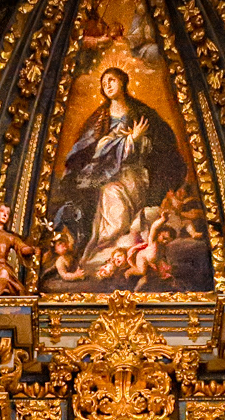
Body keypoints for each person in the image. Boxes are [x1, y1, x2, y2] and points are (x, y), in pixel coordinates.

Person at [56, 67, 189, 273]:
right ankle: (107, 248)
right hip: (108, 176)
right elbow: (95, 148)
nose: (107, 85)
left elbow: (159, 145)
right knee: (110, 195)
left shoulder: (142, 114)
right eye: (104, 82)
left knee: (124, 206)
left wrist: (138, 141)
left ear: (123, 83)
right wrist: (128, 140)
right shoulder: (100, 117)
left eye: (112, 80)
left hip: (135, 176)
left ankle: (122, 247)